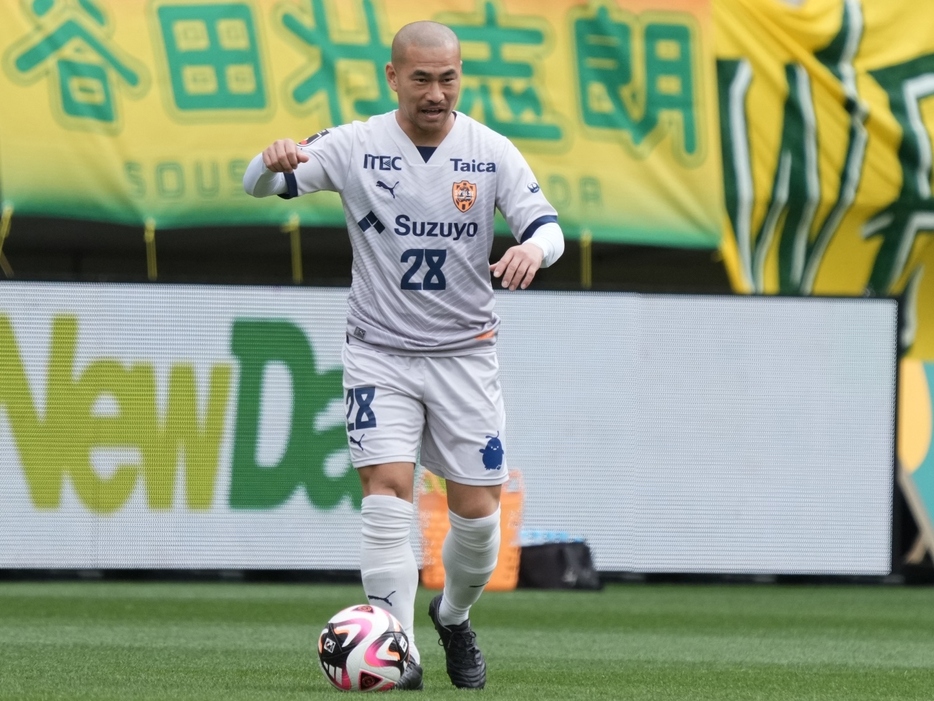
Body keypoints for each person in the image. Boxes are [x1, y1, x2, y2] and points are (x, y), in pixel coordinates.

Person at [243, 20, 564, 690]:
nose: (436, 92)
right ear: (393, 77)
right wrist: (272, 162)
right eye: (421, 78)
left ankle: (453, 614)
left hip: (464, 356)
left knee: (479, 521)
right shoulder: (357, 144)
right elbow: (258, 183)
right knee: (386, 492)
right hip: (379, 353)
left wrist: (533, 248)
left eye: (448, 77)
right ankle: (399, 651)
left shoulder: (491, 152)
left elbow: (546, 225)